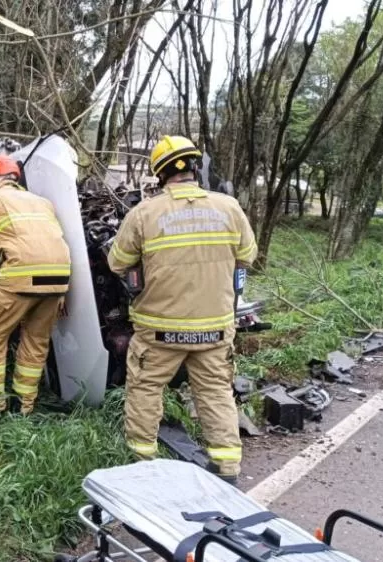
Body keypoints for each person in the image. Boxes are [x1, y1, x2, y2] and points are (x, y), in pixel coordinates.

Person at [107, 135, 256, 484]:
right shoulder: (229, 208)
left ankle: (143, 465)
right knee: (216, 392)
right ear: (194, 167)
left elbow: (117, 263)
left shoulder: (144, 213)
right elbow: (247, 257)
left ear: (159, 174)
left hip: (160, 332)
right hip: (215, 330)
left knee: (145, 390)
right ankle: (227, 468)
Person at [0, 155, 71, 415]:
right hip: (57, 283)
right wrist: (61, 294)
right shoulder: (43, 203)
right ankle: (24, 408)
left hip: (19, 279)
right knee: (36, 344)